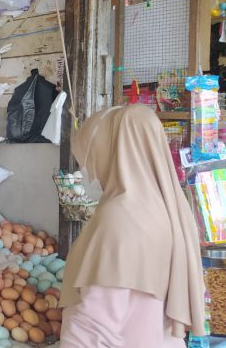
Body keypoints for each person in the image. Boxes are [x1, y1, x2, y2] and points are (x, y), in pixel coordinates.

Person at [60, 105, 206, 347]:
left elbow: (95, 323)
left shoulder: (121, 218)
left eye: (90, 155)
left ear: (112, 151)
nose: (87, 169)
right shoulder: (173, 208)